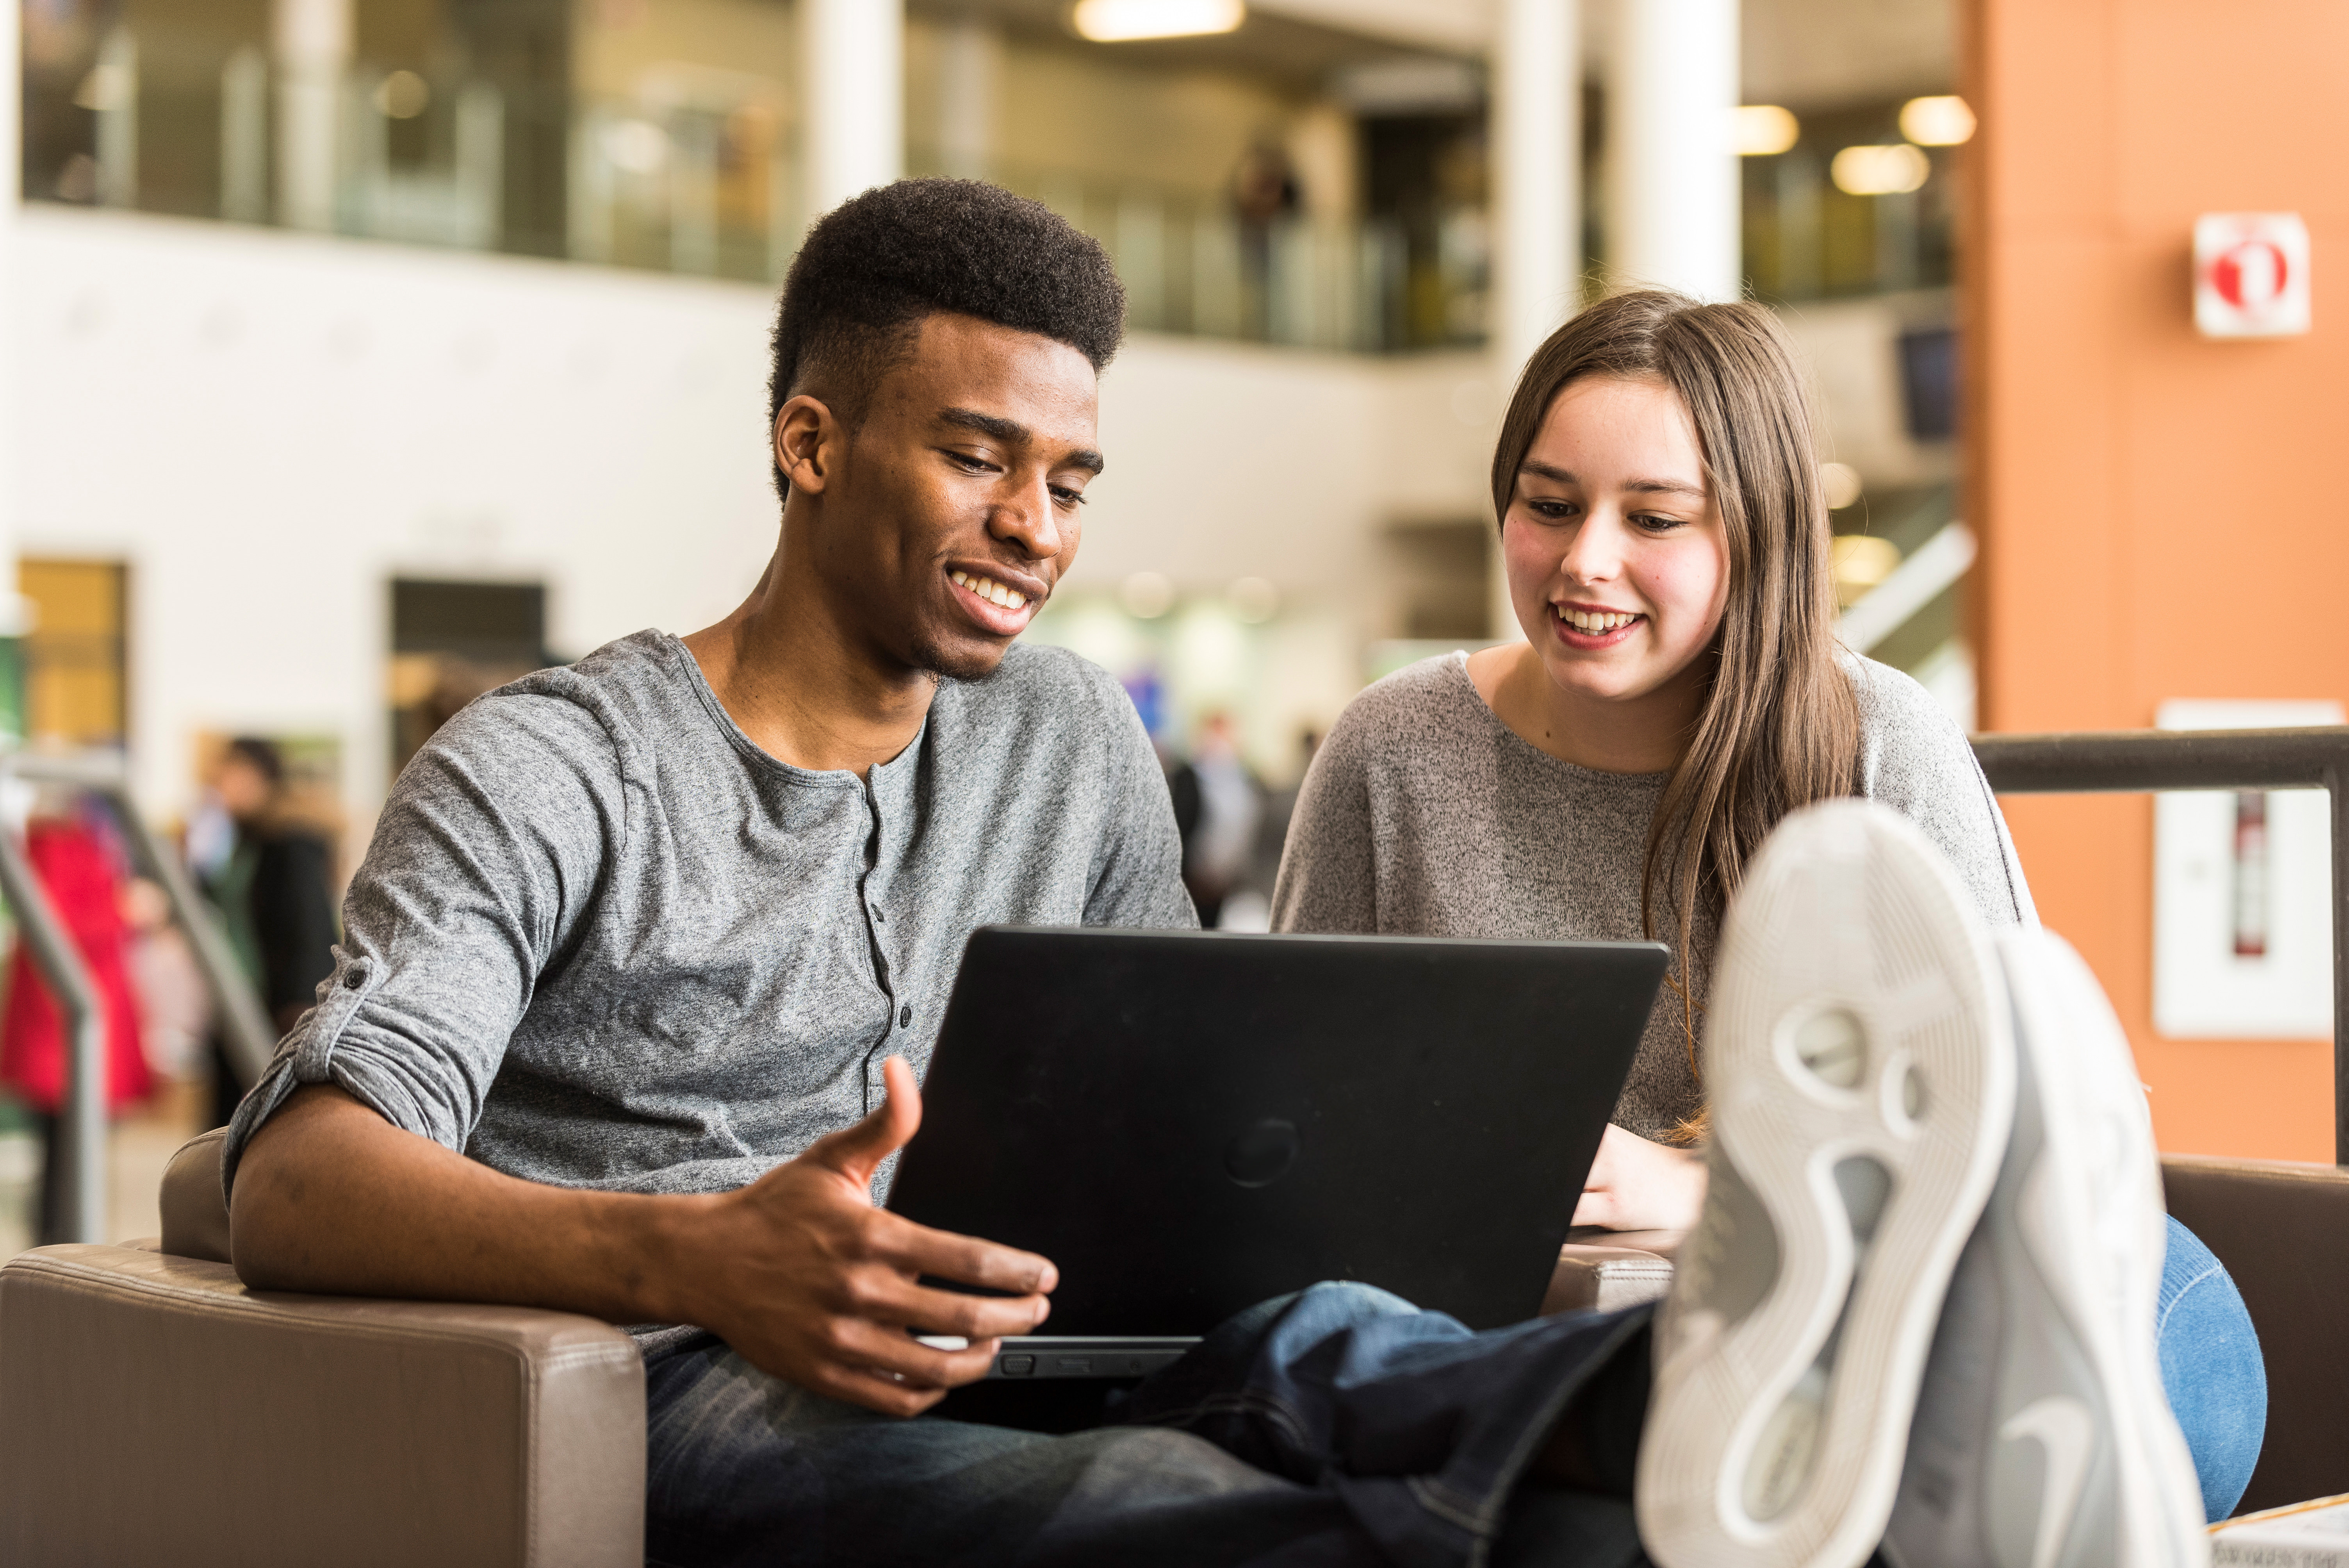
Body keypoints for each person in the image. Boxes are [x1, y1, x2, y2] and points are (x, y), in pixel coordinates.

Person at [220, 184, 2235, 1568]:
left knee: (1335, 1348)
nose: (1035, 523)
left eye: (1072, 480)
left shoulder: (1071, 738)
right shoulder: (554, 769)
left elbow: (1187, 1135)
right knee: (1159, 1505)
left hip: (1036, 1323)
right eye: (978, 456)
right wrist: (690, 1254)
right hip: (714, 1371)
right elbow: (289, 1174)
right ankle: (1763, 1440)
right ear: (815, 443)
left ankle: (1763, 1382)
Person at [1271, 289, 2266, 1521]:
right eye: (1548, 504)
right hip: (1537, 1324)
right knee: (1318, 1343)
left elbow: (2033, 1136)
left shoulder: (1875, 738)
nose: (1586, 559)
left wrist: (1712, 1198)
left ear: (1759, 537)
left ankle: (1843, 1434)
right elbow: (1295, 1126)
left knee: (2181, 1371)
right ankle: (1804, 1449)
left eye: (1654, 519)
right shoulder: (1391, 748)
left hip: (1893, 1276)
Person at [0, 798, 153, 1243]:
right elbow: (60, 926)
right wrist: (123, 911)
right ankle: (59, 1250)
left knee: (75, 1151)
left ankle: (65, 1244)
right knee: (67, 1152)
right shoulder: (55, 845)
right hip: (63, 1028)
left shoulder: (74, 841)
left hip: (75, 1018)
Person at [196, 737, 339, 1129]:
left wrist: (298, 1004)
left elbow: (308, 929)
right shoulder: (246, 837)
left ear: (260, 778)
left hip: (274, 1004)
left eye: (230, 772)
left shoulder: (292, 842)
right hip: (239, 991)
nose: (218, 782)